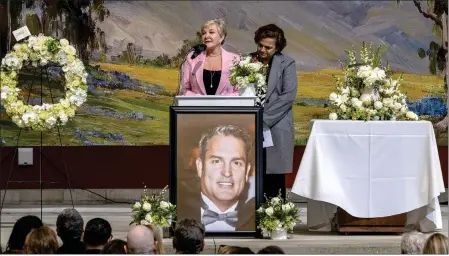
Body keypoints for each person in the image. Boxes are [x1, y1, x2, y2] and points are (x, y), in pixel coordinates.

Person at [252, 24, 298, 199]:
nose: (262, 50)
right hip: (249, 127)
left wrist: (262, 120)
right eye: (260, 45)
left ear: (277, 48)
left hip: (276, 126)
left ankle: (275, 217)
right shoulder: (248, 61)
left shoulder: (287, 63)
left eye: (268, 47)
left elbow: (288, 96)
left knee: (274, 174)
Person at [195, 124, 255, 231]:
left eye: (236, 163)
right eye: (216, 161)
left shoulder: (256, 219)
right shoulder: (179, 214)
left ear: (247, 171)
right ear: (200, 167)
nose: (227, 172)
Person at [180, 19, 239, 96]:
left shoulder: (235, 60)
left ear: (222, 37)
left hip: (226, 107)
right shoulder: (192, 58)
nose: (206, 36)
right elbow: (184, 89)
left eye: (211, 32)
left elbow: (238, 91)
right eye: (204, 33)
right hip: (197, 107)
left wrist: (221, 103)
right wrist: (200, 101)